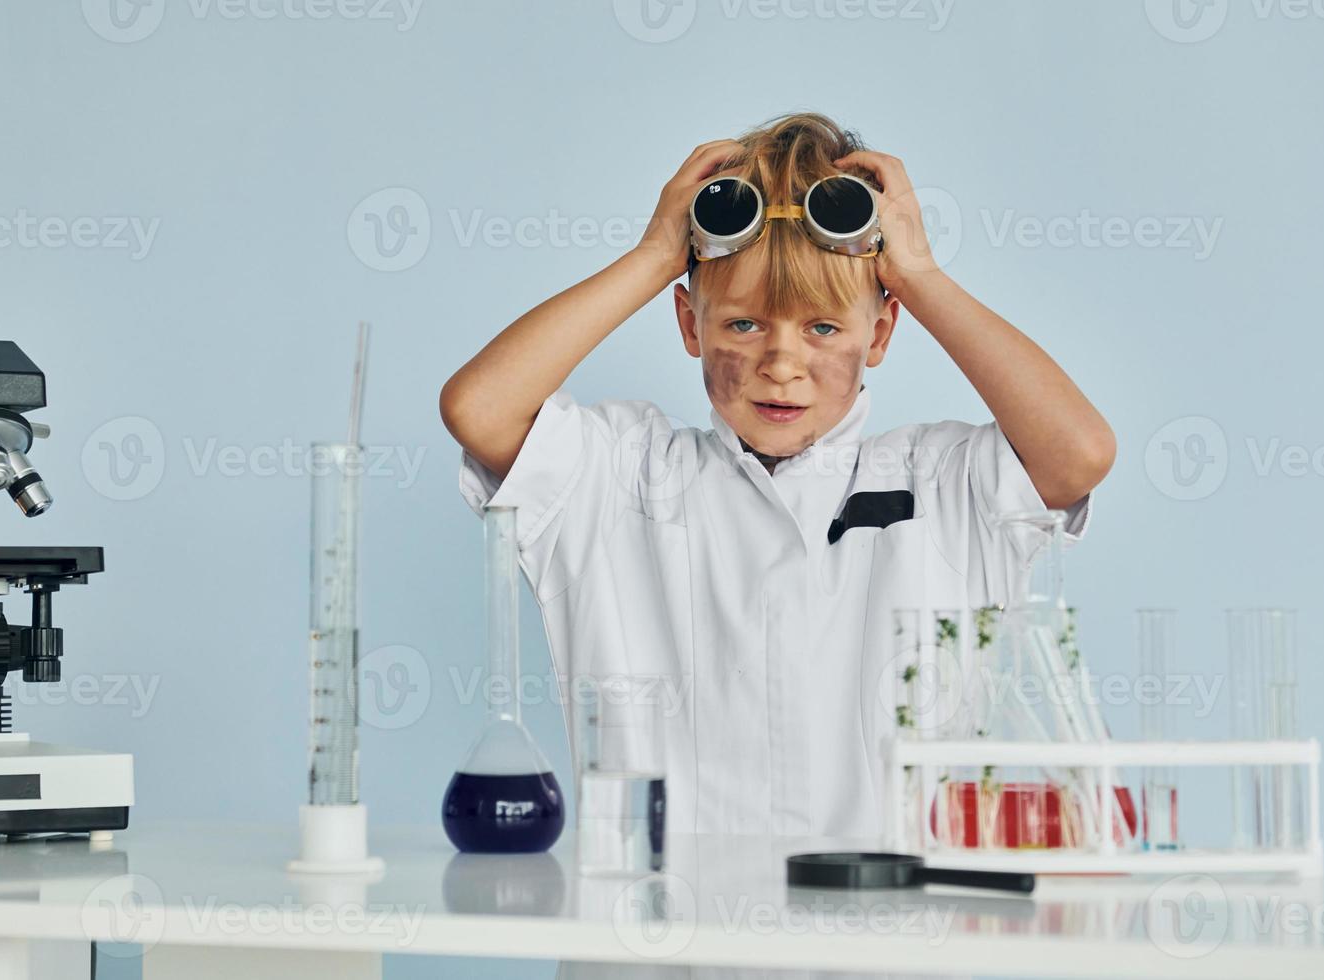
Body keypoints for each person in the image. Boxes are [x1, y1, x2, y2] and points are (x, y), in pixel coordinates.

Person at [439, 112, 1114, 839]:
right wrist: (654, 255)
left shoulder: (941, 484)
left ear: (880, 332)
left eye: (822, 327)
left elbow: (1076, 453)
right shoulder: (623, 477)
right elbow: (480, 408)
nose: (781, 363)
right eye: (742, 324)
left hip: (894, 942)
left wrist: (918, 275)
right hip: (654, 939)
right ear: (689, 323)